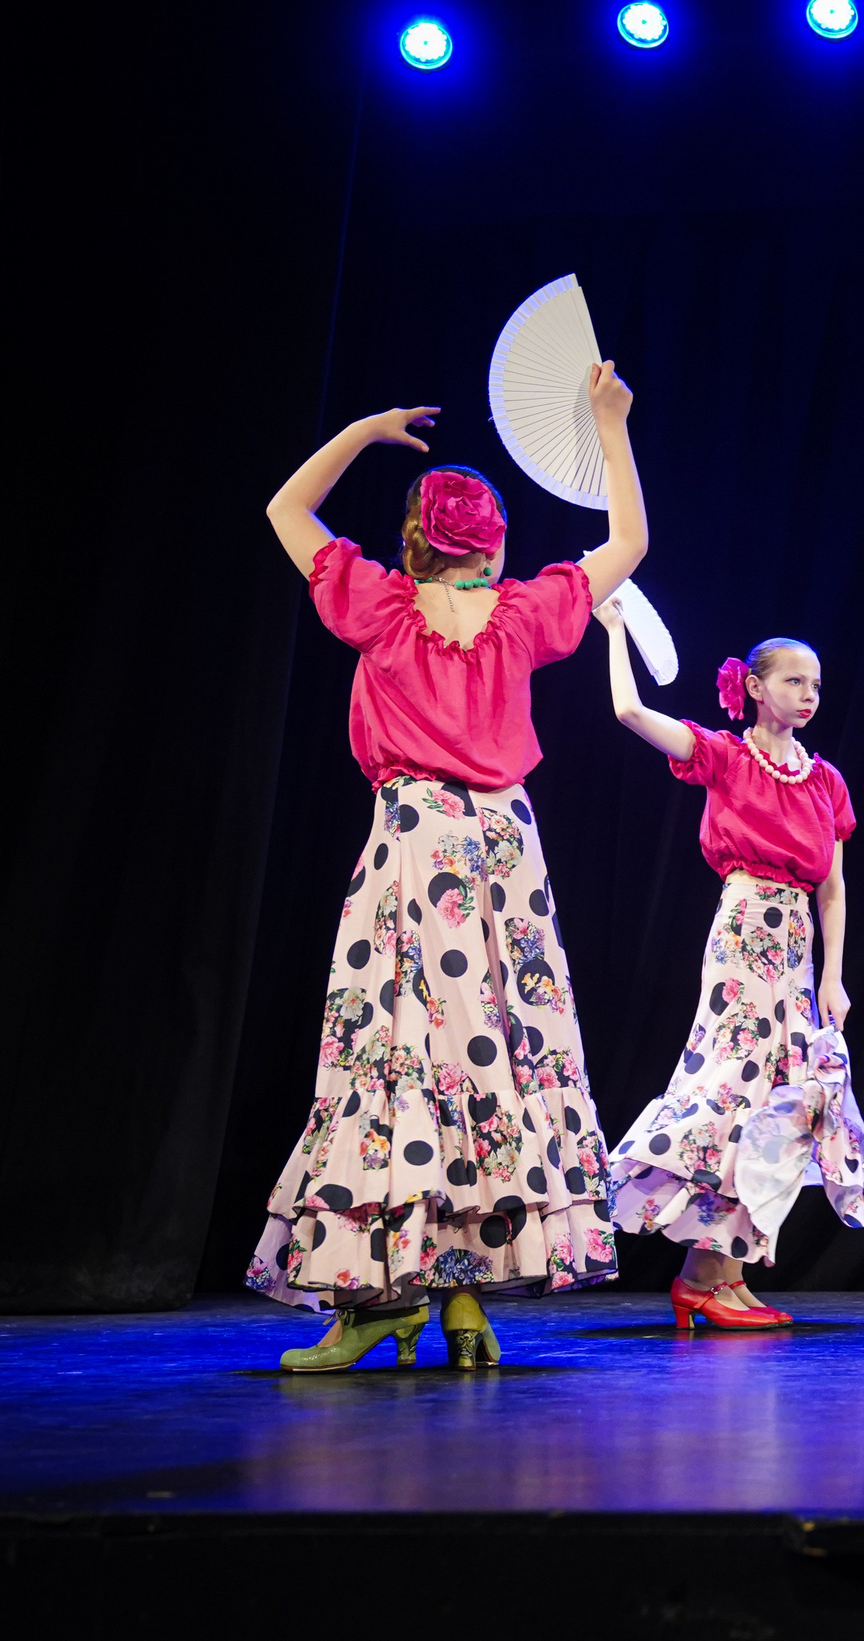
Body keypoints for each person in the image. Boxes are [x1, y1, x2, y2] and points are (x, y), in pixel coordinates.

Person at [247, 360, 648, 1372]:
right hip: (506, 848)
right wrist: (609, 425)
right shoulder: (523, 613)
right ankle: (467, 1295)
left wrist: (361, 430)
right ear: (498, 541)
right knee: (492, 1057)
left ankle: (386, 1293)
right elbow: (631, 543)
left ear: (414, 539)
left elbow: (284, 507)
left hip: (421, 840)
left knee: (400, 1054)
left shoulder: (380, 605)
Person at [602, 620, 864, 1330]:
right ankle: (704, 1274)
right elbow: (631, 713)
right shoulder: (728, 757)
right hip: (744, 929)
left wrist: (834, 976)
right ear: (756, 688)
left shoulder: (824, 779)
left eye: (816, 684)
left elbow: (833, 886)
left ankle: (721, 1272)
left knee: (774, 1106)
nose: (809, 694)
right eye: (794, 681)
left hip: (794, 942)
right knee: (733, 1088)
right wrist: (615, 631)